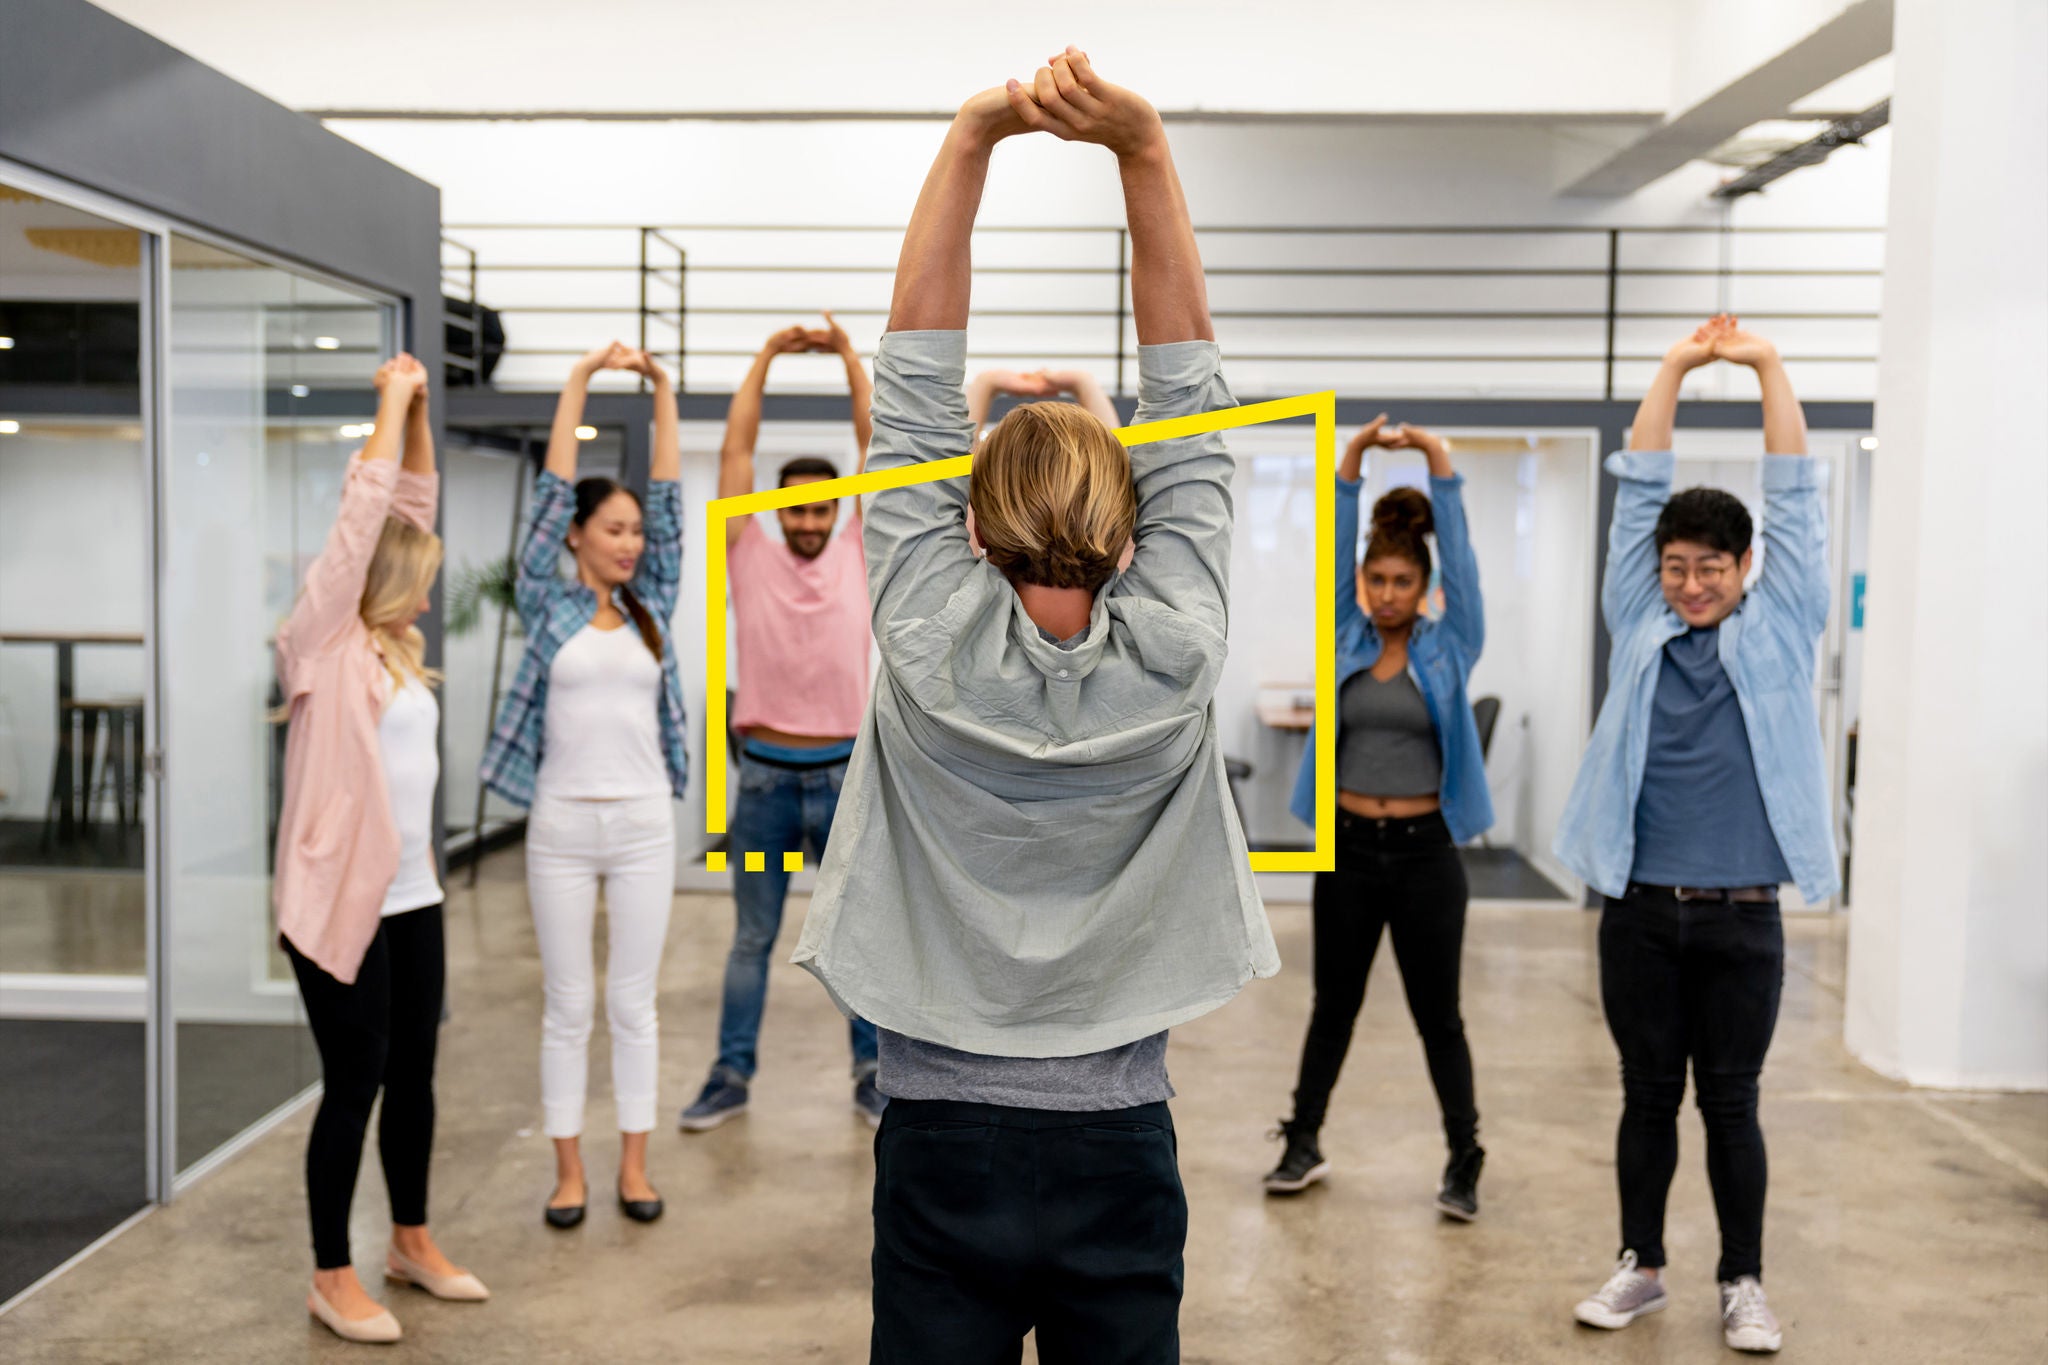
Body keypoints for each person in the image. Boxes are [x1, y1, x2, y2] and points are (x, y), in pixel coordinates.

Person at [792, 49, 1279, 1365]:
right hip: (1119, 1136)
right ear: (1134, 527)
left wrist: (974, 137)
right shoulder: (1178, 645)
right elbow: (1190, 395)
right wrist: (1144, 151)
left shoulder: (918, 624)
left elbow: (908, 384)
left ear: (966, 521)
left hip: (940, 1129)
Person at [1557, 315, 1835, 1355]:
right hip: (1637, 912)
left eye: (1708, 567)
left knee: (1730, 1105)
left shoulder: (1781, 616)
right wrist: (1672, 365)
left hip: (1742, 916)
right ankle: (1641, 1267)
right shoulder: (1638, 616)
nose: (1688, 583)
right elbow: (1638, 484)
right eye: (1675, 566)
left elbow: (1795, 492)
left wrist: (1762, 365)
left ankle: (1742, 1282)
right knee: (1643, 1100)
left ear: (1743, 564)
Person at [273, 353, 487, 1343]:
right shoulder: (322, 641)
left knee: (416, 1077)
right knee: (352, 1083)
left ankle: (409, 1240)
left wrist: (417, 417)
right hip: (338, 907)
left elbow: (410, 502)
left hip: (413, 897)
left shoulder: (395, 641)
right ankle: (329, 1274)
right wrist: (391, 403)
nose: (421, 598)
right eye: (413, 586)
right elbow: (366, 519)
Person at [480, 341, 688, 1230]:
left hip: (644, 824)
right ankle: (568, 1173)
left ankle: (634, 1167)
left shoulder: (655, 601)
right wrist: (578, 383)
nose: (632, 542)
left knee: (631, 1004)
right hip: (561, 824)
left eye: (636, 532)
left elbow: (673, 501)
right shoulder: (549, 600)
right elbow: (547, 492)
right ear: (576, 534)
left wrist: (663, 389)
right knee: (569, 1005)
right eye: (614, 529)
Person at [1268, 415, 1493, 1218]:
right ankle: (1303, 1137)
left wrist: (1438, 459)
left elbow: (1461, 564)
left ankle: (1464, 1155)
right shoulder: (1344, 634)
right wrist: (1352, 459)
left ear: (1422, 587)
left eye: (1404, 582)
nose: (1390, 595)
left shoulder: (1451, 643)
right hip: (1350, 848)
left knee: (1441, 1015)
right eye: (1378, 581)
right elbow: (1336, 542)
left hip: (1428, 852)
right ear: (1363, 583)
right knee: (1335, 1003)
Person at [678, 313, 886, 1132]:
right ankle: (731, 1075)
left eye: (817, 513)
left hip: (845, 778)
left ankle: (873, 1072)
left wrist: (844, 358)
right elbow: (736, 453)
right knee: (751, 939)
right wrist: (764, 354)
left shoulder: (858, 546)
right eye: (794, 513)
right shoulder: (747, 549)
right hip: (763, 781)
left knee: (858, 939)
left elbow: (878, 447)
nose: (806, 522)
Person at [966, 367, 1120, 437]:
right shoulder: (1096, 498)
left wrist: (985, 383)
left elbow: (957, 468)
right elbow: (1115, 466)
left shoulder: (990, 500)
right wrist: (1083, 383)